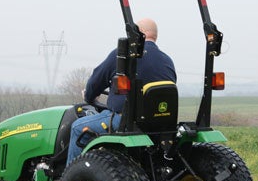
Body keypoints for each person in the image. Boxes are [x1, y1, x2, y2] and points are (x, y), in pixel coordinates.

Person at [66, 18, 177, 165]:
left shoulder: (122, 55)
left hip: (125, 121)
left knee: (77, 128)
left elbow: (95, 82)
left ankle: (69, 180)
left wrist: (89, 96)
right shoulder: (167, 60)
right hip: (158, 125)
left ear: (139, 33)